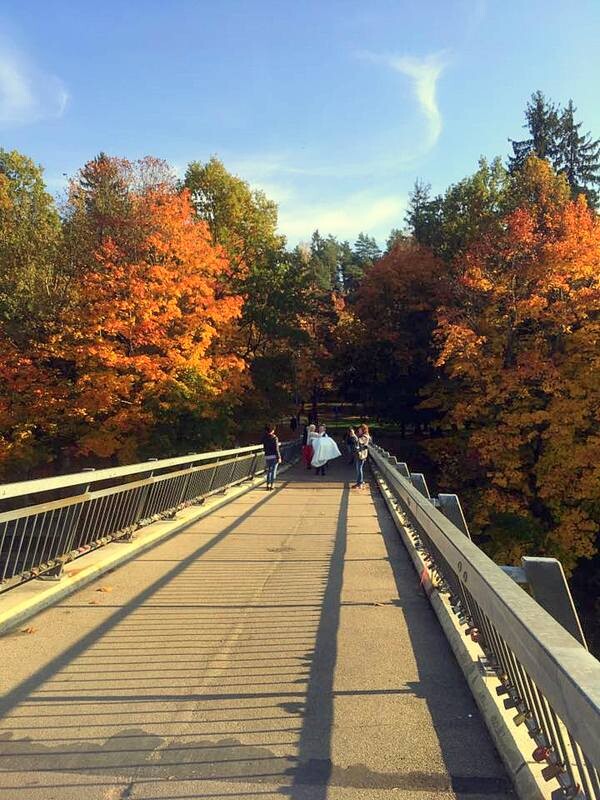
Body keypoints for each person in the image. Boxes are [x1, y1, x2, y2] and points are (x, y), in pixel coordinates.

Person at [261, 424, 282, 490]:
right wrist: (279, 457)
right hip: (274, 456)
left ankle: (268, 484)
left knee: (269, 471)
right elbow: (276, 449)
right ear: (272, 430)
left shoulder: (264, 438)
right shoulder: (274, 438)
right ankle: (272, 485)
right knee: (273, 471)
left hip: (267, 456)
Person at [353, 424, 371, 490]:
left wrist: (354, 435)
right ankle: (359, 482)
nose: (358, 430)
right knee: (358, 469)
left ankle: (360, 483)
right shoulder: (362, 436)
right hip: (360, 454)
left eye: (360, 429)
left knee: (359, 469)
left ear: (363, 430)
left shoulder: (365, 436)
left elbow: (359, 441)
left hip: (361, 455)